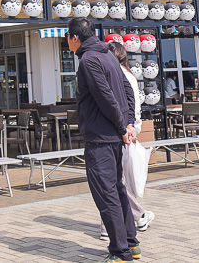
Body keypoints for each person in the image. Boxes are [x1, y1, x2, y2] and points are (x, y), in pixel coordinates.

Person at [68, 18, 139, 262]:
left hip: (101, 137)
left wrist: (123, 126)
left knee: (106, 193)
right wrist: (128, 124)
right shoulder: (108, 55)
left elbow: (105, 97)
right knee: (117, 189)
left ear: (75, 37)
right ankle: (131, 242)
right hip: (114, 136)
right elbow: (127, 91)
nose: (67, 41)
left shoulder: (89, 60)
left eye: (67, 37)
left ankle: (120, 251)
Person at [105, 40, 155, 235]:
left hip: (125, 129)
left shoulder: (119, 75)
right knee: (115, 178)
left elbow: (128, 103)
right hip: (127, 127)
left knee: (116, 180)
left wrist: (129, 126)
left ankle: (137, 216)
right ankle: (120, 222)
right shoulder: (127, 75)